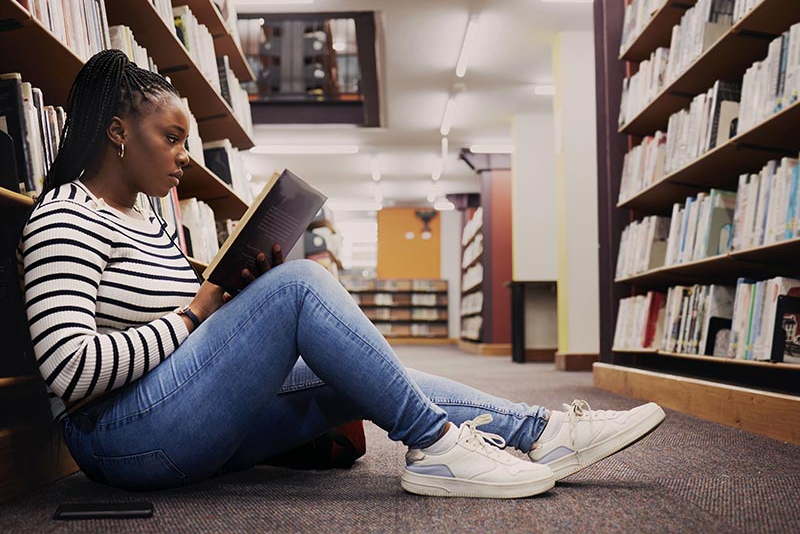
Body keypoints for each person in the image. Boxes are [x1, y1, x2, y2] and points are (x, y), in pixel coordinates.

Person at [20, 50, 665, 499]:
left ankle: (543, 434)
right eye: (172, 137)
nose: (186, 157)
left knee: (355, 368)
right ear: (118, 134)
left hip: (174, 412)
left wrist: (229, 297)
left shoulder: (152, 219)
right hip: (122, 441)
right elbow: (70, 372)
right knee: (300, 287)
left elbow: (181, 331)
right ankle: (439, 448)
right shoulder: (64, 219)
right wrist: (196, 313)